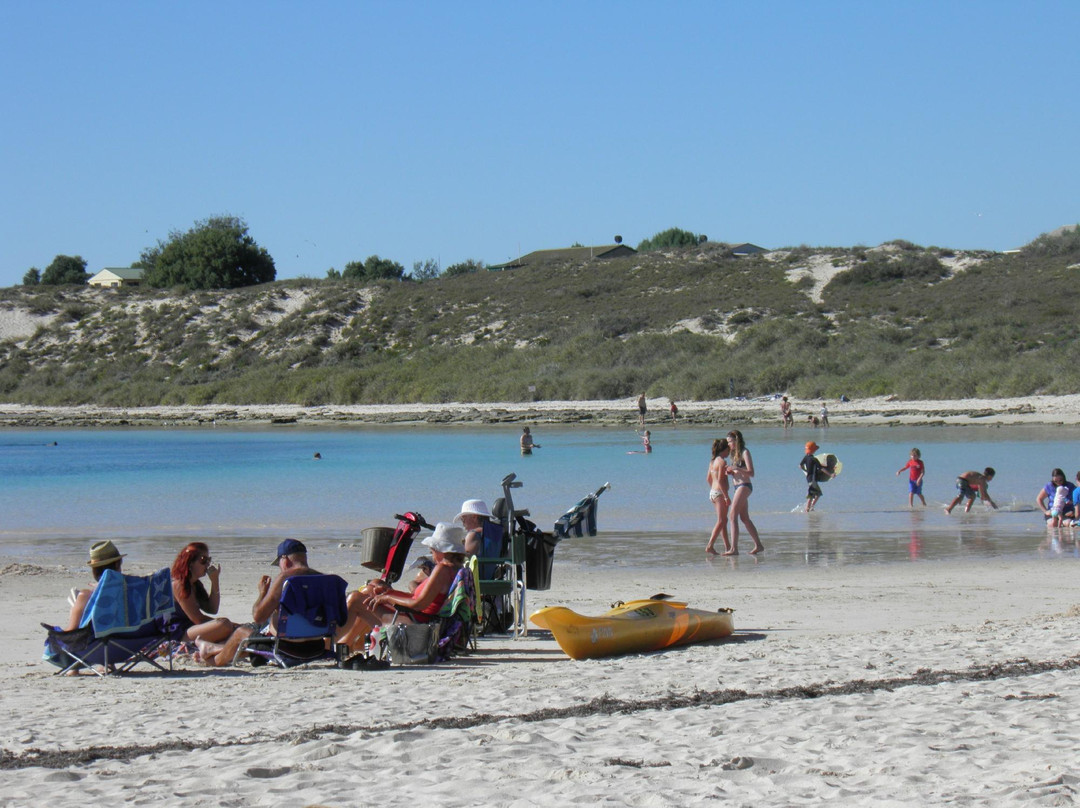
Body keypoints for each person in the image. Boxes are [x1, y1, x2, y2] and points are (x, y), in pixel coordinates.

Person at [336, 523, 467, 654]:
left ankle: (326, 646)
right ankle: (347, 644)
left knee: (355, 598)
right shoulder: (455, 569)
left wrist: (387, 597)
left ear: (442, 550)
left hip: (416, 626)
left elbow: (418, 604)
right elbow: (419, 600)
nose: (431, 553)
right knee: (373, 587)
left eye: (432, 550)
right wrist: (390, 593)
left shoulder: (442, 569)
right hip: (419, 618)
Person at [194, 539, 320, 667]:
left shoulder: (285, 580)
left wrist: (262, 594)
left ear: (285, 560)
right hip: (317, 648)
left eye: (279, 564)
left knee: (241, 633)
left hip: (286, 648)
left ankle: (213, 661)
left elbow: (258, 617)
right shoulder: (326, 580)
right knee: (254, 635)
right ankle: (212, 648)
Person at [170, 542, 237, 645]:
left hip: (190, 628)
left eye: (208, 560)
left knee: (225, 626)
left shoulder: (195, 584)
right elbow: (198, 619)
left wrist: (215, 581)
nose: (207, 564)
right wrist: (234, 626)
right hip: (177, 632)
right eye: (203, 560)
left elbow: (212, 609)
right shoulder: (179, 584)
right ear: (190, 562)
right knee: (224, 625)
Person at [65, 540, 125, 631]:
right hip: (135, 641)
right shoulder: (135, 590)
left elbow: (71, 630)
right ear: (117, 564)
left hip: (99, 642)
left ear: (94, 570)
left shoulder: (86, 596)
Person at [724, 430, 764, 555]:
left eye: (730, 441)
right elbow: (737, 471)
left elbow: (751, 472)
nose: (728, 444)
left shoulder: (745, 452)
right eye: (728, 442)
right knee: (744, 518)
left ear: (736, 440)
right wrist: (730, 471)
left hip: (744, 485)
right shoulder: (733, 454)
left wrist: (737, 468)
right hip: (737, 486)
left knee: (732, 515)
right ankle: (758, 545)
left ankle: (734, 548)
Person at [705, 438, 731, 554]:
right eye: (728, 451)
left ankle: (727, 547)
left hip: (713, 493)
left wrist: (713, 489)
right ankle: (710, 545)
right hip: (719, 494)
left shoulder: (713, 462)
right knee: (721, 521)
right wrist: (726, 496)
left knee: (723, 521)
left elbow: (708, 479)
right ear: (724, 450)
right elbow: (720, 481)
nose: (729, 454)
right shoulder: (721, 462)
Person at [800, 441, 830, 512]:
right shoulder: (814, 459)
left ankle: (810, 508)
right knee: (816, 494)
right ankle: (808, 509)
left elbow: (800, 466)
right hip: (813, 479)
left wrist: (806, 471)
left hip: (809, 478)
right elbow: (821, 468)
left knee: (813, 493)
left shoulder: (806, 457)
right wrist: (830, 474)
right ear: (814, 450)